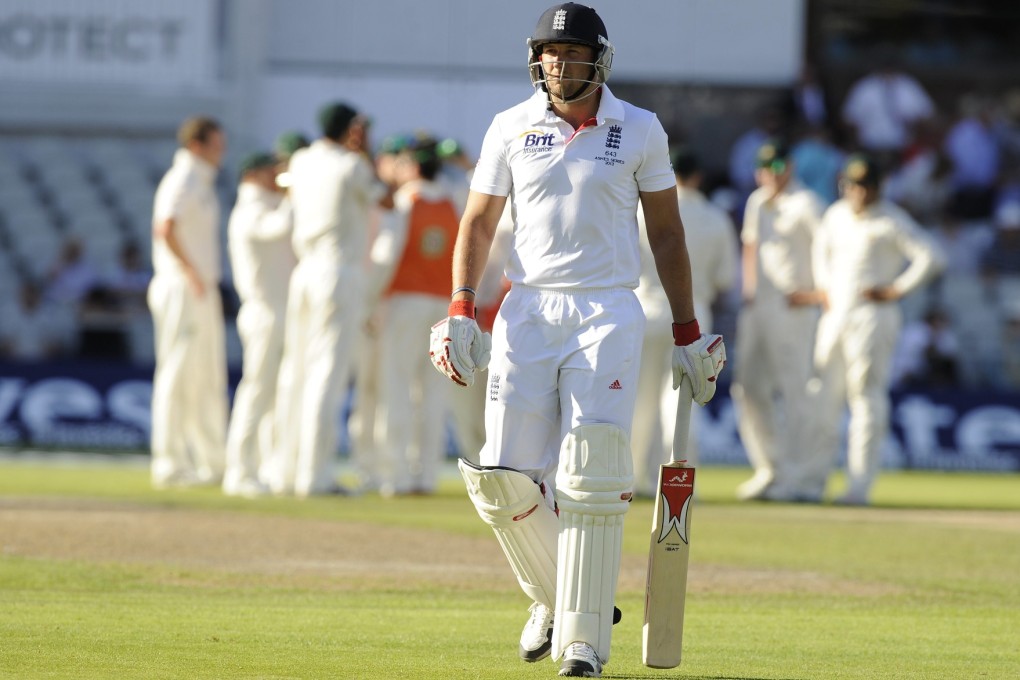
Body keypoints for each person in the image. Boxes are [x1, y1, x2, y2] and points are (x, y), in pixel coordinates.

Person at [427, 5, 726, 677]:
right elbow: (477, 224)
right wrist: (461, 308)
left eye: (571, 52)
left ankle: (584, 643)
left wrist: (686, 332)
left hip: (607, 312)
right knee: (502, 476)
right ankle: (553, 596)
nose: (558, 64)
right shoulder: (510, 124)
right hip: (527, 309)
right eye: (548, 51)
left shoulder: (641, 128)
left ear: (600, 59)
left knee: (589, 474)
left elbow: (669, 234)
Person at [802, 154, 945, 505]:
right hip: (836, 315)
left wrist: (897, 289)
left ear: (878, 187)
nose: (857, 192)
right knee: (824, 395)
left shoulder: (892, 220)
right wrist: (825, 289)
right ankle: (812, 482)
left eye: (864, 185)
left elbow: (932, 256)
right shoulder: (836, 215)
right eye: (851, 185)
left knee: (865, 397)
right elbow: (821, 252)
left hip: (873, 316)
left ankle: (858, 486)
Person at [268, 102, 391, 497]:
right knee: (326, 375)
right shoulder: (352, 165)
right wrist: (365, 149)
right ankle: (314, 475)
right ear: (351, 129)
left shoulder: (302, 160)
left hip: (304, 272)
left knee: (296, 372)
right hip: (338, 272)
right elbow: (385, 199)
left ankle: (284, 470)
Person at [632, 147, 737, 497]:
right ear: (698, 177)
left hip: (646, 310)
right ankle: (676, 484)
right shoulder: (715, 217)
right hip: (693, 315)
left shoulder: (640, 211)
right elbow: (726, 279)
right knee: (679, 404)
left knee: (640, 401)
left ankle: (632, 480)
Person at [731, 139, 825, 503]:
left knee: (795, 390)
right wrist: (750, 293)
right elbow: (751, 247)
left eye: (776, 167)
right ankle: (770, 468)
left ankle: (800, 477)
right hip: (759, 307)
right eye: (763, 168)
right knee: (748, 388)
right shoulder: (757, 201)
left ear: (789, 168)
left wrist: (817, 293)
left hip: (795, 306)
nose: (769, 175)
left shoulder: (807, 204)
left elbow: (829, 247)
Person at [366, 136, 460, 496]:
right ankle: (426, 475)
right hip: (441, 304)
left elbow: (387, 255)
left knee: (397, 387)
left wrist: (371, 299)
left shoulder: (406, 201)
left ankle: (398, 474)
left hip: (405, 300)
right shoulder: (453, 201)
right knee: (434, 393)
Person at [148, 115, 229, 489]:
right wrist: (191, 272)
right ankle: (169, 464)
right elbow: (165, 227)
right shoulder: (183, 178)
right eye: (216, 144)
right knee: (177, 375)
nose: (221, 152)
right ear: (196, 145)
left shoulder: (200, 181)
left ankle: (208, 461)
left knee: (203, 376)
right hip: (182, 286)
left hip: (197, 286)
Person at [222, 152, 295, 498]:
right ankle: (238, 471)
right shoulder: (250, 209)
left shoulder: (266, 204)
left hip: (277, 311)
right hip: (263, 311)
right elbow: (277, 228)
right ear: (253, 174)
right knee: (256, 392)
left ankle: (265, 467)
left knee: (272, 394)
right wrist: (296, 191)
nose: (277, 177)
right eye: (272, 171)